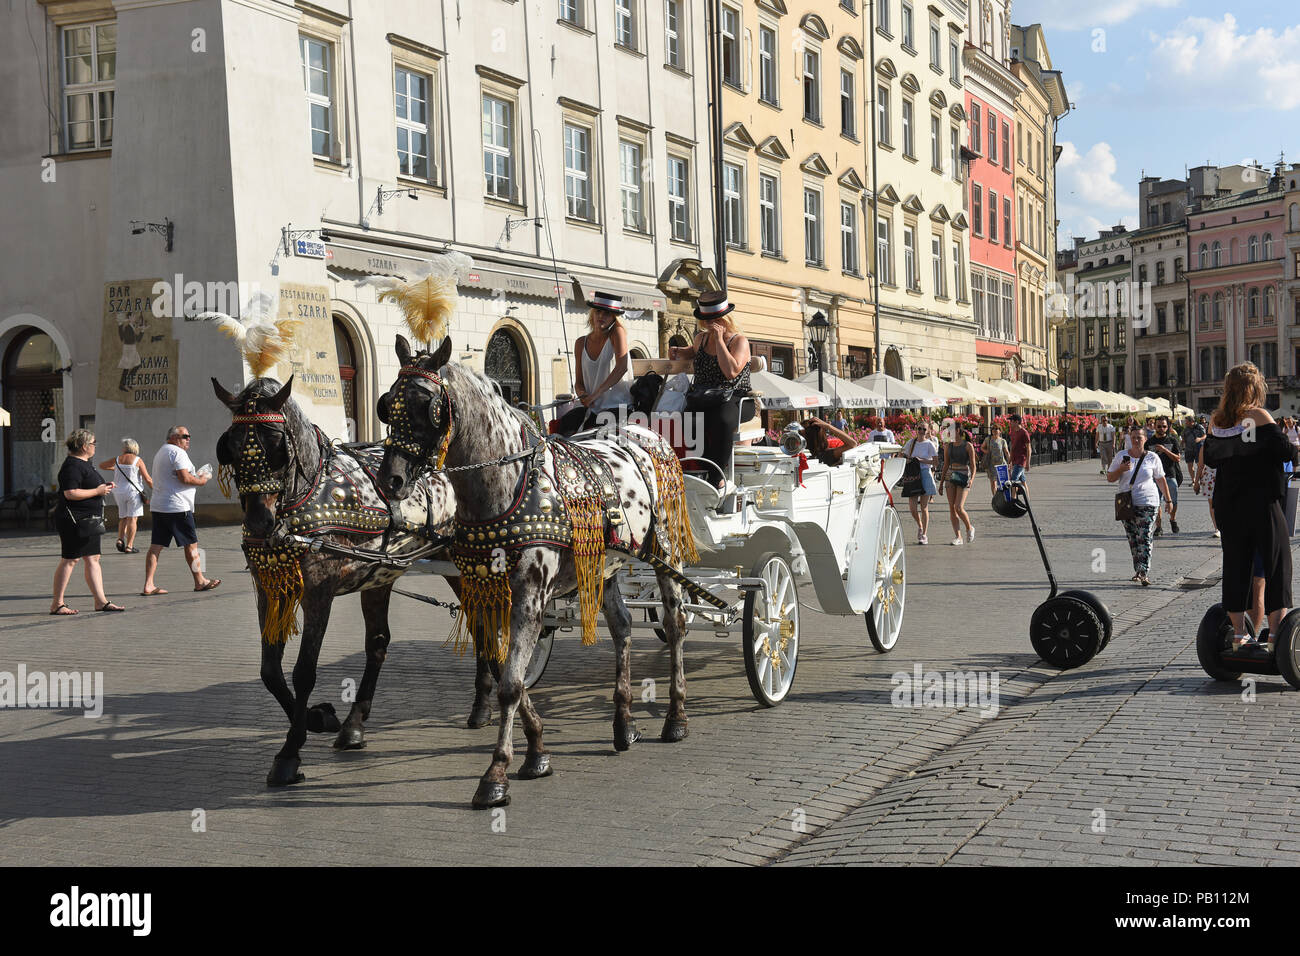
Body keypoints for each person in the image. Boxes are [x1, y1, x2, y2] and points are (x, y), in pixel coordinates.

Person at [1202, 362, 1296, 650]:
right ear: (1255, 388)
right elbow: (1285, 451)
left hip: (1228, 506)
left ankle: (1240, 633)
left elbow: (1210, 459)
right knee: (1277, 563)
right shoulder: (1258, 415)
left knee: (1235, 566)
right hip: (1262, 503)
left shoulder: (1217, 420)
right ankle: (1275, 635)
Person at [668, 290, 751, 496]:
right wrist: (678, 351)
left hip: (734, 397)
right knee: (688, 417)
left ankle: (717, 477)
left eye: (713, 319)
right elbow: (692, 352)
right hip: (705, 397)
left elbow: (731, 371)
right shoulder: (701, 339)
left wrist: (720, 340)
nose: (708, 324)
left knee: (720, 420)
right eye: (705, 320)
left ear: (724, 319)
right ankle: (701, 469)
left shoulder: (738, 341)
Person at [51, 430, 125, 614]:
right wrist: (97, 492)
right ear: (84, 446)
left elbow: (87, 487)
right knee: (70, 559)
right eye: (93, 443)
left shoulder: (84, 464)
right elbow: (70, 493)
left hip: (88, 521)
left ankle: (101, 601)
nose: (94, 446)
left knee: (93, 558)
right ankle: (57, 604)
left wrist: (103, 487)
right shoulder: (72, 466)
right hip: (74, 520)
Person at [142, 425, 219, 595]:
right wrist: (202, 480)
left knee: (156, 546)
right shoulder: (177, 452)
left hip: (160, 505)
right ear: (174, 437)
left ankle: (148, 585)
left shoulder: (162, 451)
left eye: (188, 436)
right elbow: (184, 477)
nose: (188, 439)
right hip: (178, 507)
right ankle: (200, 581)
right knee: (192, 545)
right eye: (185, 436)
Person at [557, 291, 633, 436]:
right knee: (565, 425)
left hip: (617, 407)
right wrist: (582, 394)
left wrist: (594, 395)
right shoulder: (580, 343)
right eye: (598, 311)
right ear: (592, 313)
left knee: (598, 433)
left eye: (606, 313)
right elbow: (578, 382)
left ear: (613, 318)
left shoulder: (617, 332)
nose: (600, 316)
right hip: (591, 409)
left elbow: (621, 367)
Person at [1107, 423, 1171, 586]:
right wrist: (1121, 469)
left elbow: (1160, 479)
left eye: (1139, 437)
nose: (1136, 440)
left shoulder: (1152, 457)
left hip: (1148, 501)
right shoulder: (1121, 455)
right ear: (1129, 438)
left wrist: (1168, 500)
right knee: (1133, 539)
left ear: (1145, 438)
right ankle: (1138, 569)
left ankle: (1144, 572)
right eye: (1133, 437)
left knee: (1145, 536)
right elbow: (1110, 478)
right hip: (1127, 504)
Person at [99, 438, 153, 553]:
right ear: (135, 448)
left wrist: (115, 468)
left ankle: (120, 539)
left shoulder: (117, 459)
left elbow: (101, 466)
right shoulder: (138, 460)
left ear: (125, 448)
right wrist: (157, 490)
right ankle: (129, 546)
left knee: (123, 517)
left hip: (118, 492)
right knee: (132, 519)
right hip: (133, 492)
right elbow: (147, 478)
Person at [900, 419, 939, 544]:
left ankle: (924, 534)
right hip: (912, 474)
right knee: (912, 507)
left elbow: (935, 462)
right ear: (916, 430)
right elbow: (901, 454)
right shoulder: (911, 443)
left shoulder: (929, 444)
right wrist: (906, 460)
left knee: (924, 507)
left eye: (924, 429)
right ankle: (920, 525)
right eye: (919, 429)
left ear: (928, 431)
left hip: (925, 474)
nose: (921, 431)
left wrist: (921, 460)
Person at [939, 426, 977, 545]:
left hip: (963, 475)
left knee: (958, 507)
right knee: (952, 507)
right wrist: (940, 483)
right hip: (950, 475)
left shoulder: (967, 445)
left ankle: (969, 527)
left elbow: (973, 465)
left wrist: (972, 480)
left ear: (958, 431)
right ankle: (958, 537)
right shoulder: (948, 446)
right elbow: (945, 465)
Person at [1147, 416, 1182, 536]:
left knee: (1173, 501)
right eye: (1159, 426)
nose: (1161, 428)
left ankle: (1172, 519)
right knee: (1156, 502)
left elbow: (1177, 458)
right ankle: (1159, 527)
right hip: (1155, 478)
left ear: (1167, 427)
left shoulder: (1172, 440)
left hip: (1170, 475)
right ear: (1155, 426)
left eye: (1164, 426)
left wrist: (1164, 450)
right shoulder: (1149, 442)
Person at [982, 425, 1010, 495]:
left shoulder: (1002, 441)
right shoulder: (987, 439)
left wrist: (1009, 463)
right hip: (991, 464)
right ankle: (995, 497)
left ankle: (1003, 497)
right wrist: (986, 451)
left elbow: (1006, 452)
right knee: (993, 482)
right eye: (993, 429)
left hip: (1001, 464)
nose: (994, 430)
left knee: (1002, 482)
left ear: (1000, 431)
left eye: (997, 429)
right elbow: (982, 447)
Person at [1007, 413, 1030, 485]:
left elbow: (1028, 448)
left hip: (1021, 460)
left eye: (1011, 421)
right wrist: (1010, 461)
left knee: (1013, 481)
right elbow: (1012, 448)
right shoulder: (1013, 432)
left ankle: (1013, 496)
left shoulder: (1024, 432)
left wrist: (1028, 463)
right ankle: (1027, 496)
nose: (1010, 423)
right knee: (1022, 481)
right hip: (1015, 460)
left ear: (1017, 422)